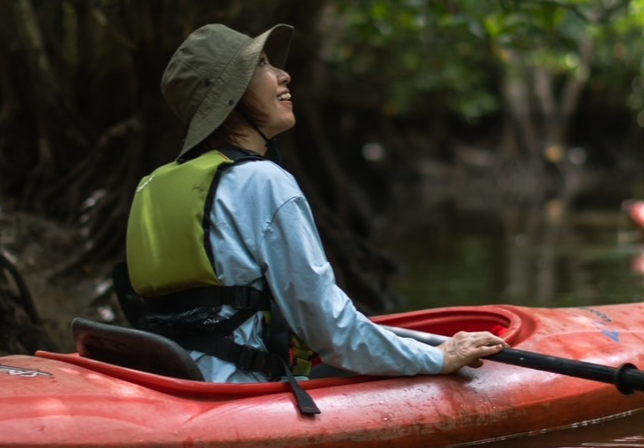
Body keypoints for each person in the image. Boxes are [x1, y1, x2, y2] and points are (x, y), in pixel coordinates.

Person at [124, 23, 508, 396]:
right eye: (260, 66)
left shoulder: (153, 184)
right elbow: (331, 332)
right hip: (235, 396)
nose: (283, 75)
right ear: (230, 94)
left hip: (170, 380)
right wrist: (438, 358)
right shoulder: (263, 181)